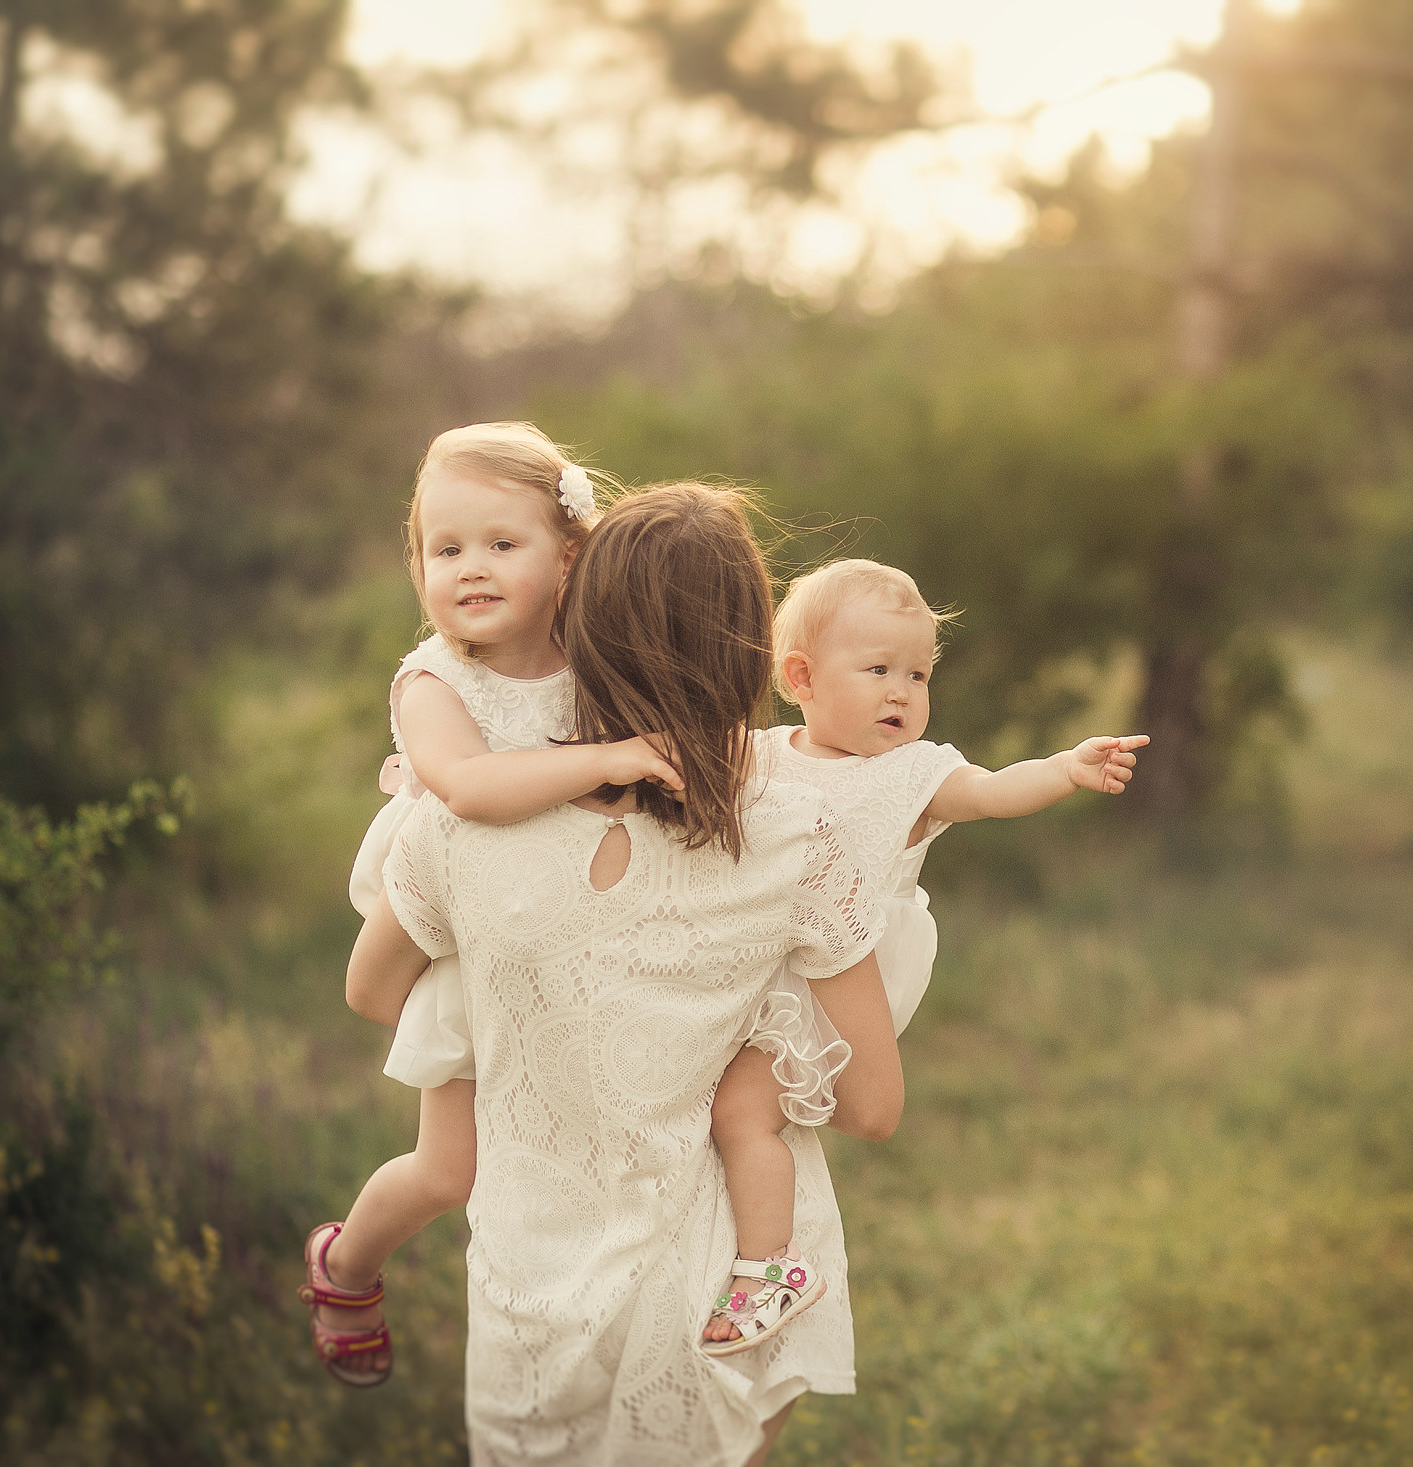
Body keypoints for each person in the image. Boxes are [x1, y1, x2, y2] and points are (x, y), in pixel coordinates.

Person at [342, 484, 903, 1465]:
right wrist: (758, 1030)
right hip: (725, 1279)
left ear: (576, 633)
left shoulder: (458, 825)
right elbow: (871, 1107)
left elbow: (373, 995)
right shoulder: (796, 838)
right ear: (752, 651)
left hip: (533, 1293)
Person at [304, 422, 682, 1386]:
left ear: (570, 553)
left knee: (577, 1156)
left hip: (564, 937)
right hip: (460, 939)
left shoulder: (594, 658)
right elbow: (469, 787)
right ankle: (346, 1266)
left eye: (501, 544)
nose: (470, 568)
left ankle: (600, 1339)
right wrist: (602, 760)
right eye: (446, 548)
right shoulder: (435, 678)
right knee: (452, 1169)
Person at [700, 558, 1147, 1351]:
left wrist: (1062, 770)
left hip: (843, 980)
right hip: (765, 958)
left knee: (742, 1112)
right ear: (801, 675)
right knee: (715, 1096)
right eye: (878, 671)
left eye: (917, 673)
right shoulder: (762, 754)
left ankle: (771, 1265)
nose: (902, 692)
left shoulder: (914, 772)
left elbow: (991, 789)